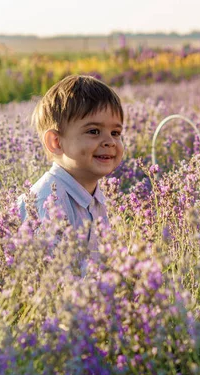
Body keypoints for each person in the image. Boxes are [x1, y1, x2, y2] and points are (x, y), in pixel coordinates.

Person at [18, 75, 124, 250]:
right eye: (94, 131)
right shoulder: (50, 202)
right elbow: (50, 271)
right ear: (56, 142)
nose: (110, 142)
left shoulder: (94, 195)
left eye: (115, 133)